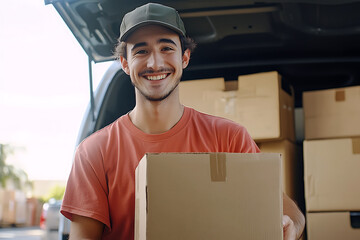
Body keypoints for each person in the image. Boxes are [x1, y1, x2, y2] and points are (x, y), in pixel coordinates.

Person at [61, 3, 305, 240]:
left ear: (185, 58)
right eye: (141, 51)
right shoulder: (94, 153)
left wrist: (290, 224)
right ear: (125, 63)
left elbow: (289, 211)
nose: (155, 63)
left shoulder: (229, 138)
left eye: (166, 48)